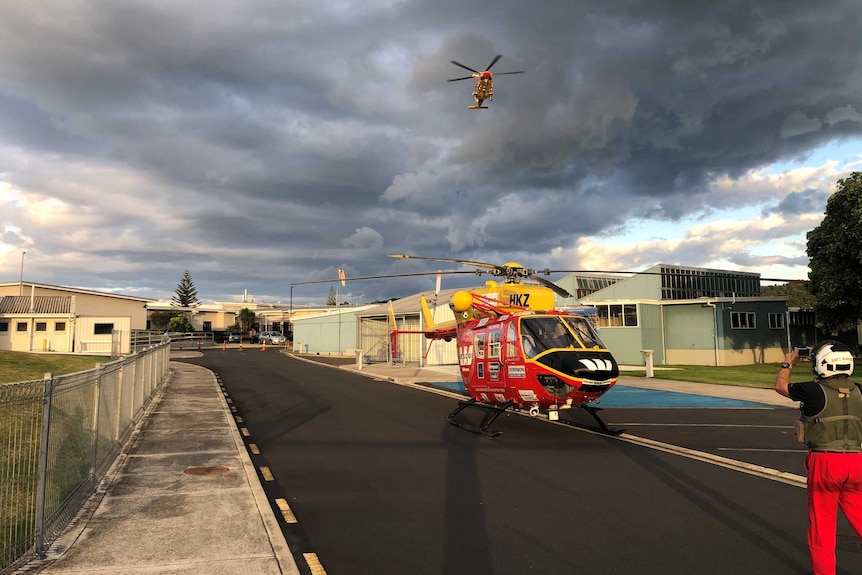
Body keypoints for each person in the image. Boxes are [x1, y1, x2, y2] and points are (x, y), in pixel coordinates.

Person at [774, 340, 862, 575]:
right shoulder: (859, 390)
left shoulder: (813, 390)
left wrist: (787, 363)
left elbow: (781, 387)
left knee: (822, 526)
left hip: (826, 461)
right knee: (859, 513)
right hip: (856, 461)